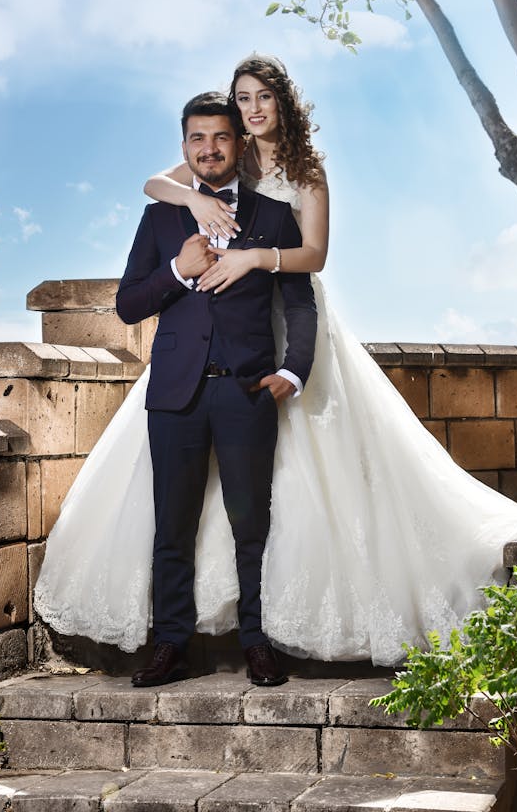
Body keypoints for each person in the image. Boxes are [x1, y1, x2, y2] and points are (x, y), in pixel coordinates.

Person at [34, 55, 517, 672]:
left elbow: (315, 256)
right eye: (241, 99)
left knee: (275, 498)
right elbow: (157, 191)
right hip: (191, 361)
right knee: (177, 513)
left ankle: (262, 632)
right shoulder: (223, 155)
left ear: (283, 104)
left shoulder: (302, 173)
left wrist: (257, 266)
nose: (250, 110)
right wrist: (193, 208)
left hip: (271, 310)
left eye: (262, 98)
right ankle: (178, 633)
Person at [117, 89, 317, 687]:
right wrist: (178, 270)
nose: (209, 149)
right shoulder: (160, 219)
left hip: (247, 391)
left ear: (238, 145)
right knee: (172, 525)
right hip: (174, 394)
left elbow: (301, 307)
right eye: (197, 139)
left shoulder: (275, 217)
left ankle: (256, 640)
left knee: (250, 523)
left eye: (221, 137)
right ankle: (171, 642)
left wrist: (293, 370)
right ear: (184, 147)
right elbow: (128, 305)